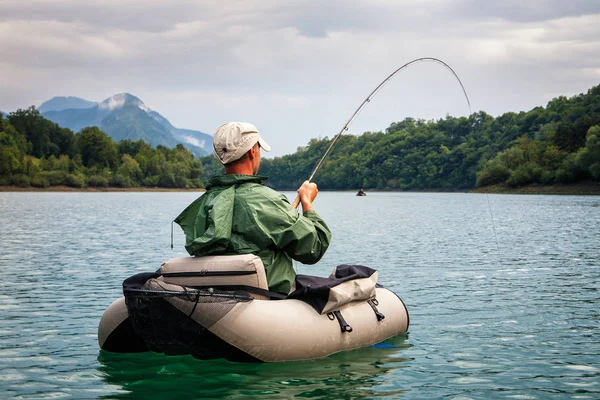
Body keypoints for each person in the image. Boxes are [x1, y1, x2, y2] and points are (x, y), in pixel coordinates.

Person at [174, 122, 331, 295]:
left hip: (219, 298)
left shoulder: (205, 202)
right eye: (259, 148)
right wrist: (307, 202)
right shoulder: (267, 200)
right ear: (252, 151)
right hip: (269, 298)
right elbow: (314, 248)